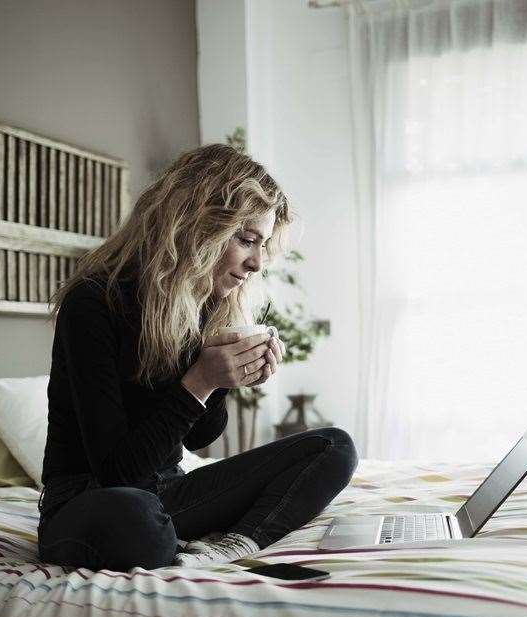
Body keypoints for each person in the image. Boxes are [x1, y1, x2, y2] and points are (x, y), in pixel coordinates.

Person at [36, 143, 358, 571]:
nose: (257, 263)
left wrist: (225, 377)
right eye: (246, 241)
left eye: (262, 246)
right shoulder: (94, 302)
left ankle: (233, 546)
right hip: (89, 501)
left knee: (333, 446)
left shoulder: (199, 303)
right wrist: (201, 381)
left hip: (169, 493)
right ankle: (170, 540)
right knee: (137, 519)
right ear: (197, 225)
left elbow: (198, 438)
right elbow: (117, 472)